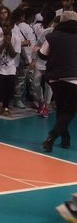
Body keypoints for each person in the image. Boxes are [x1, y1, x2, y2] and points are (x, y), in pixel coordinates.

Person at [40, 11, 77, 152]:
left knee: (61, 110)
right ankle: (52, 136)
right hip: (74, 79)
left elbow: (42, 55)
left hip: (55, 78)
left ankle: (65, 139)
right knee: (69, 112)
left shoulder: (52, 36)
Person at [0, 24, 21, 117]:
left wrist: (9, 43)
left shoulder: (17, 38)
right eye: (3, 26)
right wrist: (4, 44)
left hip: (10, 66)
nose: (5, 28)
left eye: (7, 26)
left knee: (10, 86)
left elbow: (13, 55)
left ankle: (5, 107)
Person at [32, 14, 57, 118]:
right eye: (55, 24)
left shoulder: (64, 35)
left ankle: (46, 107)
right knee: (35, 83)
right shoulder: (46, 32)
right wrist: (33, 60)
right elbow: (37, 45)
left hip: (53, 64)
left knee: (49, 86)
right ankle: (41, 100)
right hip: (40, 61)